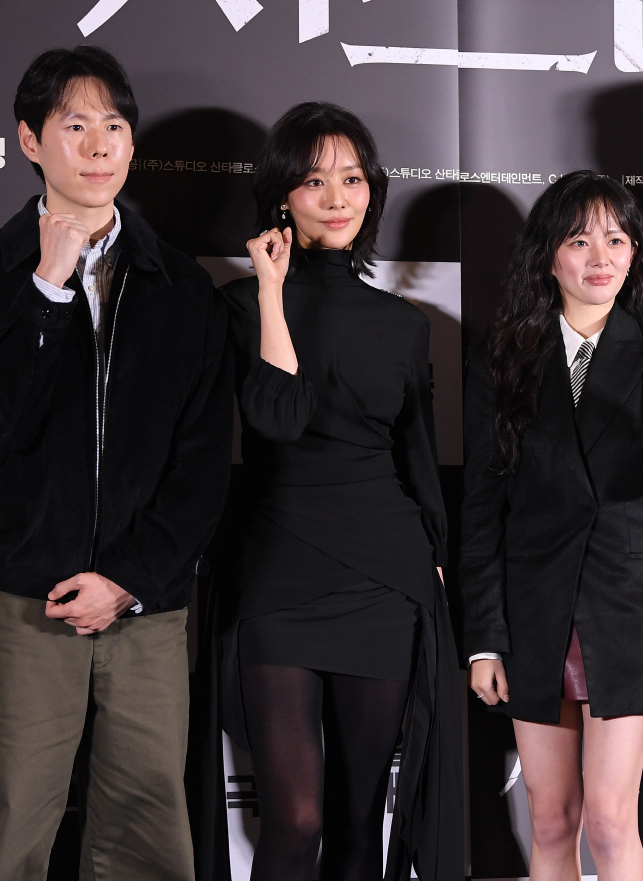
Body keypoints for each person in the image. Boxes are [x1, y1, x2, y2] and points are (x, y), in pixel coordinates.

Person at [0, 46, 233, 879]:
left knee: (147, 837)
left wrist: (129, 577)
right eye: (75, 126)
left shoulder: (183, 289)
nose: (99, 146)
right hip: (23, 602)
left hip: (147, 610)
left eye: (114, 126)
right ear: (30, 141)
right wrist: (46, 289)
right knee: (5, 831)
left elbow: (204, 462)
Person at [215, 101, 463, 881]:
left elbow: (416, 454)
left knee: (359, 819)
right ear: (281, 197)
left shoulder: (404, 324)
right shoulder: (237, 307)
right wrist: (269, 291)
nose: (336, 198)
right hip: (279, 569)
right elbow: (277, 418)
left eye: (352, 179)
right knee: (296, 820)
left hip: (384, 576)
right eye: (315, 181)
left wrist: (433, 558)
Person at [460, 171, 643, 879]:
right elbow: (481, 505)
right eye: (579, 240)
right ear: (548, 256)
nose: (601, 256)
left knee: (608, 818)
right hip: (534, 606)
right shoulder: (505, 355)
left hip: (628, 607)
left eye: (616, 239)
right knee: (550, 817)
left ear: (635, 254)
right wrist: (485, 637)